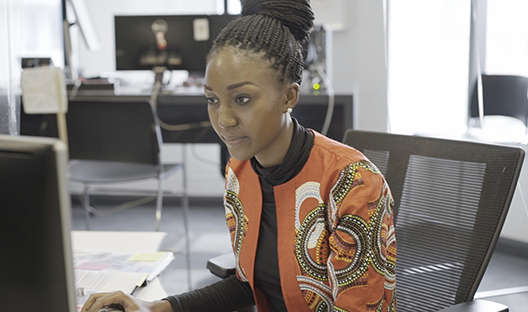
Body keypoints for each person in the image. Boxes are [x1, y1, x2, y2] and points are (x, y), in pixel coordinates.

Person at [81, 0, 396, 311]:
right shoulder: (241, 170)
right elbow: (249, 283)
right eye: (213, 99)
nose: (224, 119)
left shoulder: (354, 183)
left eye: (242, 99)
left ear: (289, 96)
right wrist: (155, 307)